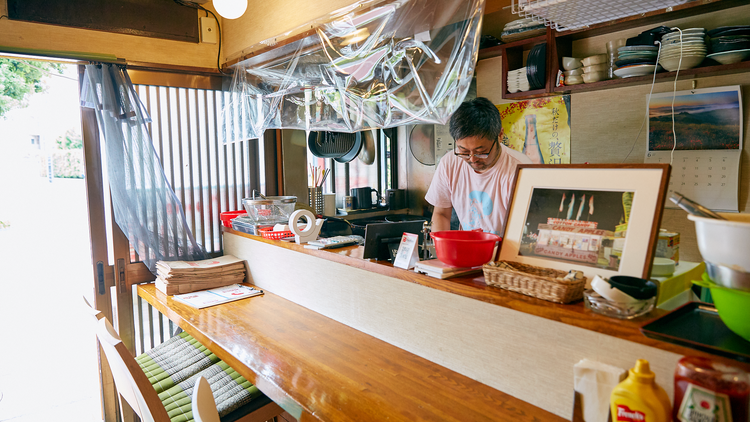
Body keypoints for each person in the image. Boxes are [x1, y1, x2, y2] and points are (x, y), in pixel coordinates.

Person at [425, 97, 532, 235]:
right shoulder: (449, 163)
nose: (472, 159)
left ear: (499, 135)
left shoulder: (522, 169)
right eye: (463, 152)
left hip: (504, 253)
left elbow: (526, 227)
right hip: (467, 251)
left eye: (481, 152)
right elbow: (441, 214)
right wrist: (441, 250)